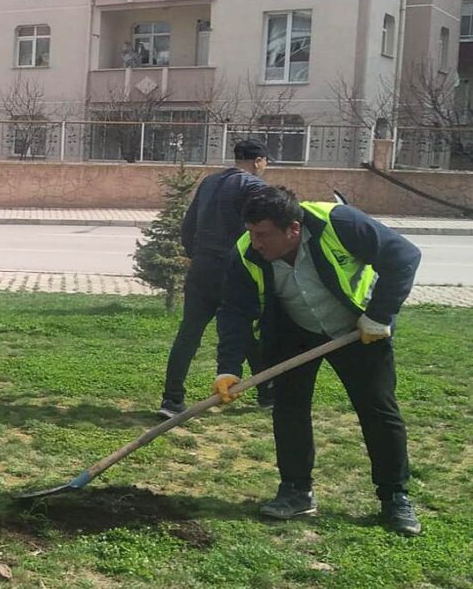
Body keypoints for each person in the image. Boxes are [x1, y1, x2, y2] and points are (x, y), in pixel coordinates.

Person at [214, 186, 422, 536]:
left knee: (378, 409)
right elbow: (234, 311)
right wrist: (229, 367)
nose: (256, 242)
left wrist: (379, 315)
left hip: (358, 329)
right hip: (293, 331)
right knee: (289, 408)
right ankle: (296, 491)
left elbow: (404, 256)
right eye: (251, 232)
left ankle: (394, 497)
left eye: (263, 234)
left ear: (293, 229)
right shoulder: (246, 253)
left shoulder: (339, 223)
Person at [156, 139, 272, 419]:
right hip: (234, 270)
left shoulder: (209, 183)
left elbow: (188, 227)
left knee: (189, 333)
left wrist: (195, 255)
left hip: (202, 267)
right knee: (243, 328)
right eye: (265, 162)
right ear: (259, 161)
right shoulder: (255, 188)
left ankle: (171, 400)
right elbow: (265, 230)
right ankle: (268, 394)